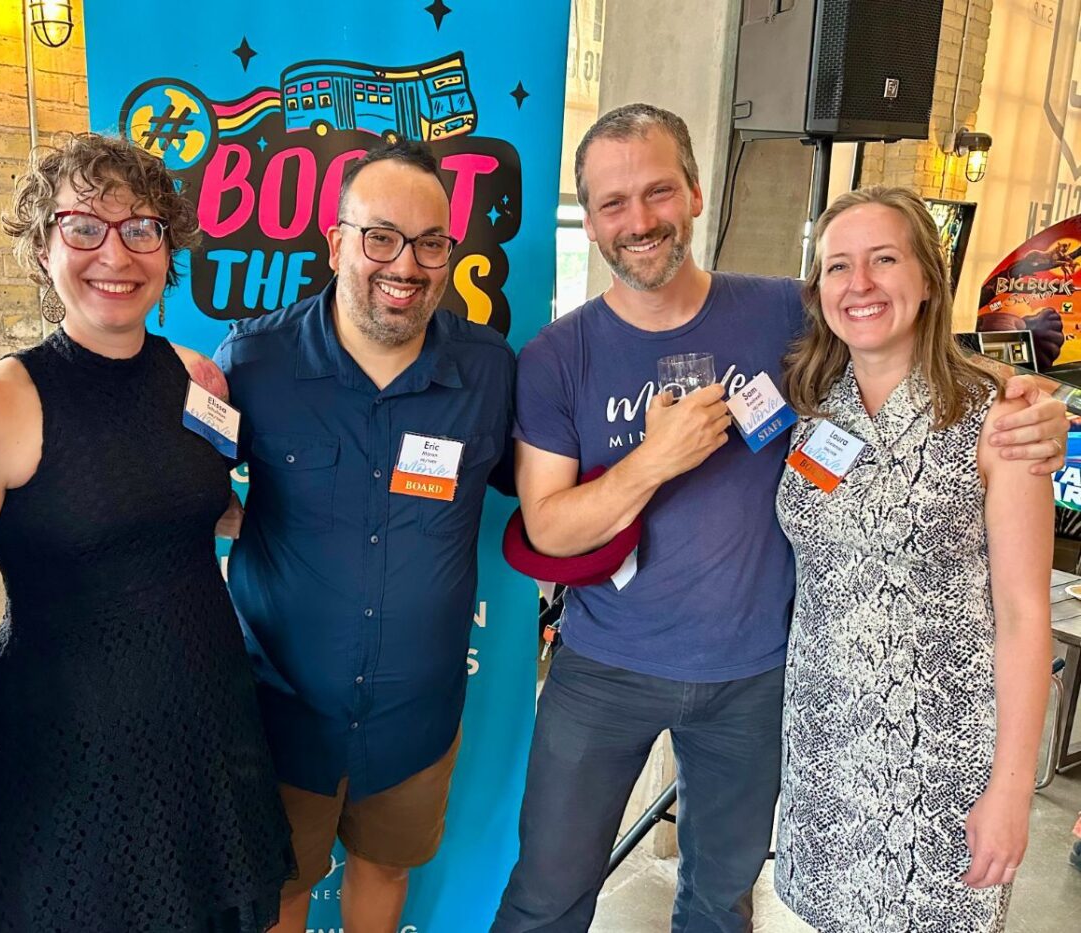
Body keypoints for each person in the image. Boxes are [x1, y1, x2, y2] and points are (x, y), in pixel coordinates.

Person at [490, 104, 1067, 933]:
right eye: (611, 203)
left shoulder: (780, 315)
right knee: (546, 896)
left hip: (759, 682)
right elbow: (547, 533)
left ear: (695, 193)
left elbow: (893, 336)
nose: (639, 219)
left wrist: (1029, 401)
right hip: (604, 671)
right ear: (587, 213)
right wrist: (655, 457)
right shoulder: (558, 355)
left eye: (658, 192)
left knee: (721, 901)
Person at [0, 133, 294, 932]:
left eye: (141, 227)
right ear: (44, 245)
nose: (113, 252)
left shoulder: (199, 379)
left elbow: (193, 510)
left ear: (169, 245)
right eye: (83, 226)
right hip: (68, 756)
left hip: (209, 733)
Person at [214, 139, 515, 932]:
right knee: (278, 885)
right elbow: (185, 496)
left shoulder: (489, 373)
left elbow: (548, 495)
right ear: (336, 241)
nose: (405, 265)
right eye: (380, 236)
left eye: (429, 243)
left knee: (384, 869)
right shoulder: (253, 360)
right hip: (282, 702)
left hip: (415, 710)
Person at [774, 186, 1052, 932]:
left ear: (928, 277)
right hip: (824, 754)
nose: (859, 284)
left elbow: (1028, 617)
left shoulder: (998, 418)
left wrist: (1011, 791)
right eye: (838, 267)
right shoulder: (811, 408)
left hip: (941, 766)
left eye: (883, 260)